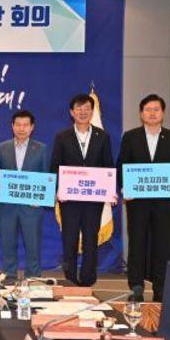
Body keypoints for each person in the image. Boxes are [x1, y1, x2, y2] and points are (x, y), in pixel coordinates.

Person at [117, 94, 170, 301]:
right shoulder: (131, 137)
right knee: (137, 244)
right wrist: (124, 189)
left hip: (164, 203)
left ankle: (160, 288)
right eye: (148, 109)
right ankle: (136, 287)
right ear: (141, 113)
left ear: (163, 113)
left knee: (162, 246)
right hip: (137, 202)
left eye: (156, 109)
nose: (152, 113)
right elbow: (122, 165)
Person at [50, 93, 115, 287]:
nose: (83, 112)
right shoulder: (62, 137)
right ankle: (70, 278)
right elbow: (55, 166)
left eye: (87, 108)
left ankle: (88, 279)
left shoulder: (102, 136)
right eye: (79, 108)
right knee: (69, 239)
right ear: (72, 112)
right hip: (69, 200)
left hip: (93, 200)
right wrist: (58, 190)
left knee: (90, 240)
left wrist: (111, 190)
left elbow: (108, 166)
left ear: (92, 111)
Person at [0, 110, 48, 279]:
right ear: (12, 126)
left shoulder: (41, 149)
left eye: (25, 125)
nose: (21, 128)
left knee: (33, 247)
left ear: (32, 127)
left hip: (32, 207)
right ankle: (9, 277)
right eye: (18, 125)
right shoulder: (1, 148)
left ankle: (33, 278)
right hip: (7, 207)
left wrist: (42, 198)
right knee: (8, 245)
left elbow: (47, 176)